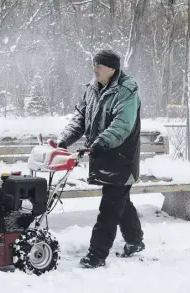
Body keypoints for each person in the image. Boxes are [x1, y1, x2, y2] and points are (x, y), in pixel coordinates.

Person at [56, 49, 145, 268]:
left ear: (112, 69)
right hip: (102, 154)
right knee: (120, 202)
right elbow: (81, 118)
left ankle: (96, 255)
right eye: (93, 65)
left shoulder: (126, 91)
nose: (94, 69)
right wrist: (63, 140)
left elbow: (122, 125)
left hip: (121, 156)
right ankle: (135, 241)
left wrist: (99, 144)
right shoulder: (93, 89)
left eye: (99, 66)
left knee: (110, 207)